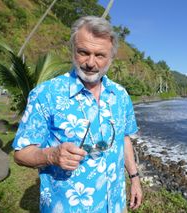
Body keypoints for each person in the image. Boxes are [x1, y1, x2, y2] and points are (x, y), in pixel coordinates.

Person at [12, 16, 142, 213]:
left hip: (115, 204)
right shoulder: (46, 94)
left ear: (111, 58)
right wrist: (51, 155)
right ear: (73, 50)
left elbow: (123, 138)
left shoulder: (120, 95)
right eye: (83, 52)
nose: (90, 63)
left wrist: (134, 179)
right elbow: (20, 154)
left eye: (100, 55)